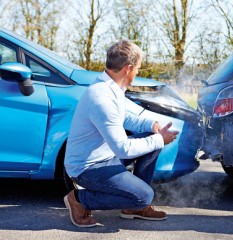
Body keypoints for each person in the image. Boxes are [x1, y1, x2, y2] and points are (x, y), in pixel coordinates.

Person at [64, 40, 179, 228]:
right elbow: (123, 148)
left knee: (151, 142)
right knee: (144, 195)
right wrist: (159, 139)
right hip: (87, 168)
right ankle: (79, 199)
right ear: (128, 68)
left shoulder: (111, 88)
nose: (137, 73)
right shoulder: (101, 97)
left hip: (106, 156)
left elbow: (126, 117)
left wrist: (152, 125)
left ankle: (133, 207)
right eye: (138, 69)